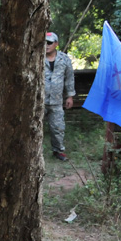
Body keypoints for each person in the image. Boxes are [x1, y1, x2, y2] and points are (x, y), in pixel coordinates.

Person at [44, 32, 75, 161]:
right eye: (44, 42)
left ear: (56, 44)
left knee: (58, 127)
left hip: (56, 101)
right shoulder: (35, 58)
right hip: (38, 100)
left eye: (49, 43)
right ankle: (33, 152)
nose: (46, 45)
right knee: (33, 128)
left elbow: (69, 78)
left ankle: (58, 151)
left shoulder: (64, 59)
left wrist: (69, 96)